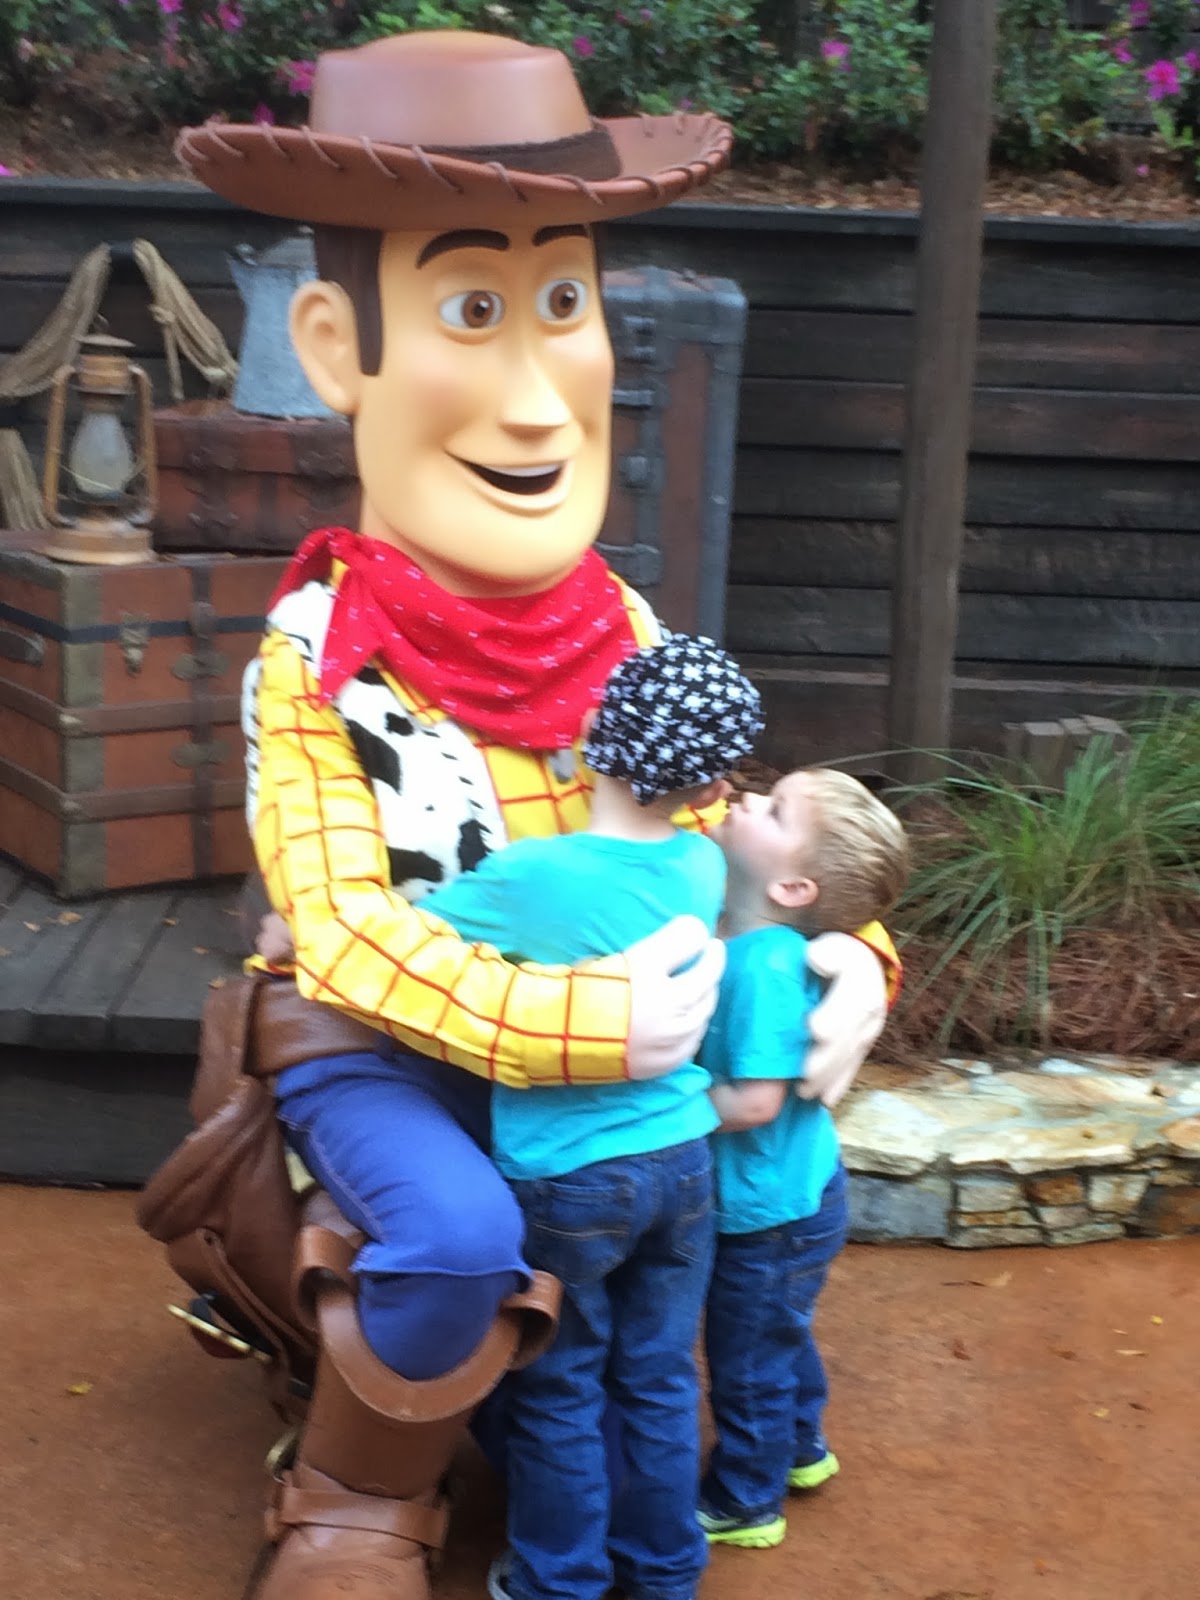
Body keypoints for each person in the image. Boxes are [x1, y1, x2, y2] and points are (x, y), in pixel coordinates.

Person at [142, 29, 899, 1600]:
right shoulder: (320, 657)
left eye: (563, 306)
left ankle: (636, 1450)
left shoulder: (617, 623)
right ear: (338, 347)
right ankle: (359, 1493)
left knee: (717, 1203)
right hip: (387, 1044)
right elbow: (348, 931)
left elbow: (735, 829)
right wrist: (577, 1026)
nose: (541, 397)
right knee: (459, 1225)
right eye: (474, 311)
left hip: (611, 1069)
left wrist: (851, 955)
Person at [406, 634, 762, 1600]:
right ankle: (666, 1568)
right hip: (682, 1161)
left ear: (595, 730)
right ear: (708, 786)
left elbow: (410, 935)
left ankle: (558, 1580)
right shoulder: (701, 864)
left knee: (559, 1383)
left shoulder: (536, 876)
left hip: (568, 1175)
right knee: (658, 1376)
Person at [696, 768, 911, 1550]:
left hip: (767, 1211)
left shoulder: (762, 966)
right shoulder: (750, 940)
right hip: (793, 1192)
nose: (749, 796)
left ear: (792, 887)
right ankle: (801, 1448)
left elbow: (756, 1102)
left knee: (747, 1354)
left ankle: (746, 1500)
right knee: (779, 1331)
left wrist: (666, 1109)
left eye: (776, 809)